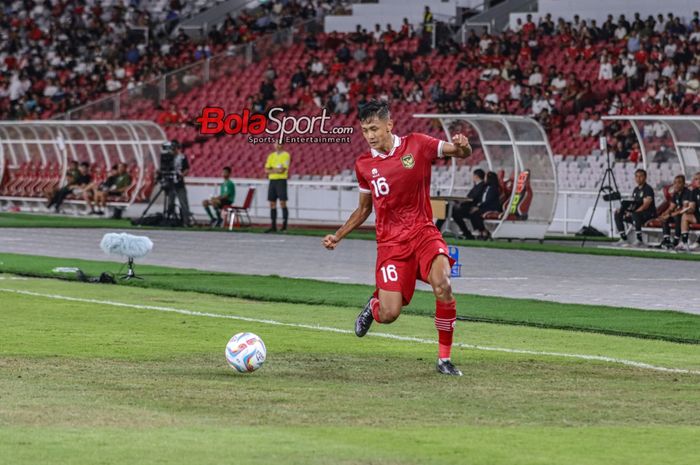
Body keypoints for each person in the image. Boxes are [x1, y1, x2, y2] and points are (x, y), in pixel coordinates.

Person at [322, 100, 472, 376]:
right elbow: (364, 209)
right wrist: (339, 235)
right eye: (365, 130)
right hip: (391, 245)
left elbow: (459, 152)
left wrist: (463, 145)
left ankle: (444, 360)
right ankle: (373, 305)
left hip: (424, 233)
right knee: (389, 314)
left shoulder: (417, 144)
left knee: (443, 284)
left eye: (374, 128)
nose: (370, 135)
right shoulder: (364, 165)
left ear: (389, 125)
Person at [439, 169, 486, 240]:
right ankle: (467, 233)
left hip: (470, 208)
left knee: (449, 210)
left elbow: (473, 198)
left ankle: (435, 229)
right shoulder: (477, 186)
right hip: (467, 206)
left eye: (473, 176)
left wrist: (461, 202)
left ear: (476, 176)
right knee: (448, 209)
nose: (472, 177)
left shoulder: (481, 186)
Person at [614, 169, 656, 246]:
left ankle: (639, 239)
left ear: (645, 177)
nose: (638, 178)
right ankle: (623, 238)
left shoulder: (648, 189)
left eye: (641, 176)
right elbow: (633, 204)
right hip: (637, 214)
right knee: (618, 213)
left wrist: (632, 212)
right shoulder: (636, 190)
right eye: (636, 176)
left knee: (635, 214)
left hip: (648, 214)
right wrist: (625, 210)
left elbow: (645, 206)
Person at [659, 175, 693, 250]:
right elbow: (671, 207)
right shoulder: (675, 194)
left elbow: (684, 209)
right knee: (665, 218)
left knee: (677, 217)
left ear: (684, 184)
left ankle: (676, 240)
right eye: (675, 183)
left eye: (679, 183)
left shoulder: (688, 193)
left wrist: (670, 214)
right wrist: (664, 214)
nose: (676, 185)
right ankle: (666, 240)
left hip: (687, 215)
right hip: (677, 214)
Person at [466, 171, 501, 239]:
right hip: (485, 206)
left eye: (485, 177)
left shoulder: (493, 188)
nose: (484, 179)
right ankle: (481, 231)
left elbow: (488, 201)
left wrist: (478, 207)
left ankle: (483, 231)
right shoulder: (486, 187)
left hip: (491, 207)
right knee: (472, 212)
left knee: (475, 213)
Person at [264, 142, 290, 233]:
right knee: (272, 203)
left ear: (282, 145)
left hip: (281, 180)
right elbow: (266, 170)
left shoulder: (286, 155)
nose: (277, 146)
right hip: (272, 181)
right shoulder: (271, 156)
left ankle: (284, 226)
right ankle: (273, 226)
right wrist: (276, 170)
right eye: (276, 144)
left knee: (282, 203)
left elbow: (282, 170)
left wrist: (272, 170)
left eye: (279, 144)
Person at [173, 140, 192, 226]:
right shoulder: (168, 158)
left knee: (183, 203)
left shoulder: (182, 157)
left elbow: (187, 169)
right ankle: (171, 220)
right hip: (170, 184)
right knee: (170, 203)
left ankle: (186, 221)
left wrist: (181, 175)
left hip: (179, 183)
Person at [683, 172, 700, 251]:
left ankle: (698, 242)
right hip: (698, 216)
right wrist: (687, 210)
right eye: (696, 179)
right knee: (685, 216)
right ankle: (685, 242)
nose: (698, 181)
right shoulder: (694, 191)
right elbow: (692, 206)